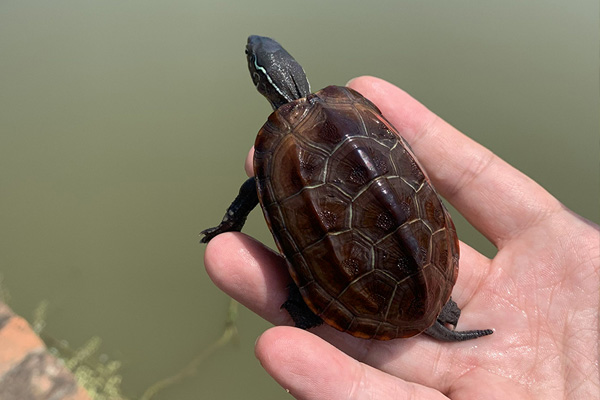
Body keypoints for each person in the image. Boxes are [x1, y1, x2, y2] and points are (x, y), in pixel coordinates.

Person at [204, 76, 599, 399]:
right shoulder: (351, 109)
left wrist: (228, 224)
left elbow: (254, 191)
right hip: (430, 266)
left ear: (261, 80)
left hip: (372, 281)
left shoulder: (281, 152)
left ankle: (326, 309)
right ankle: (435, 308)